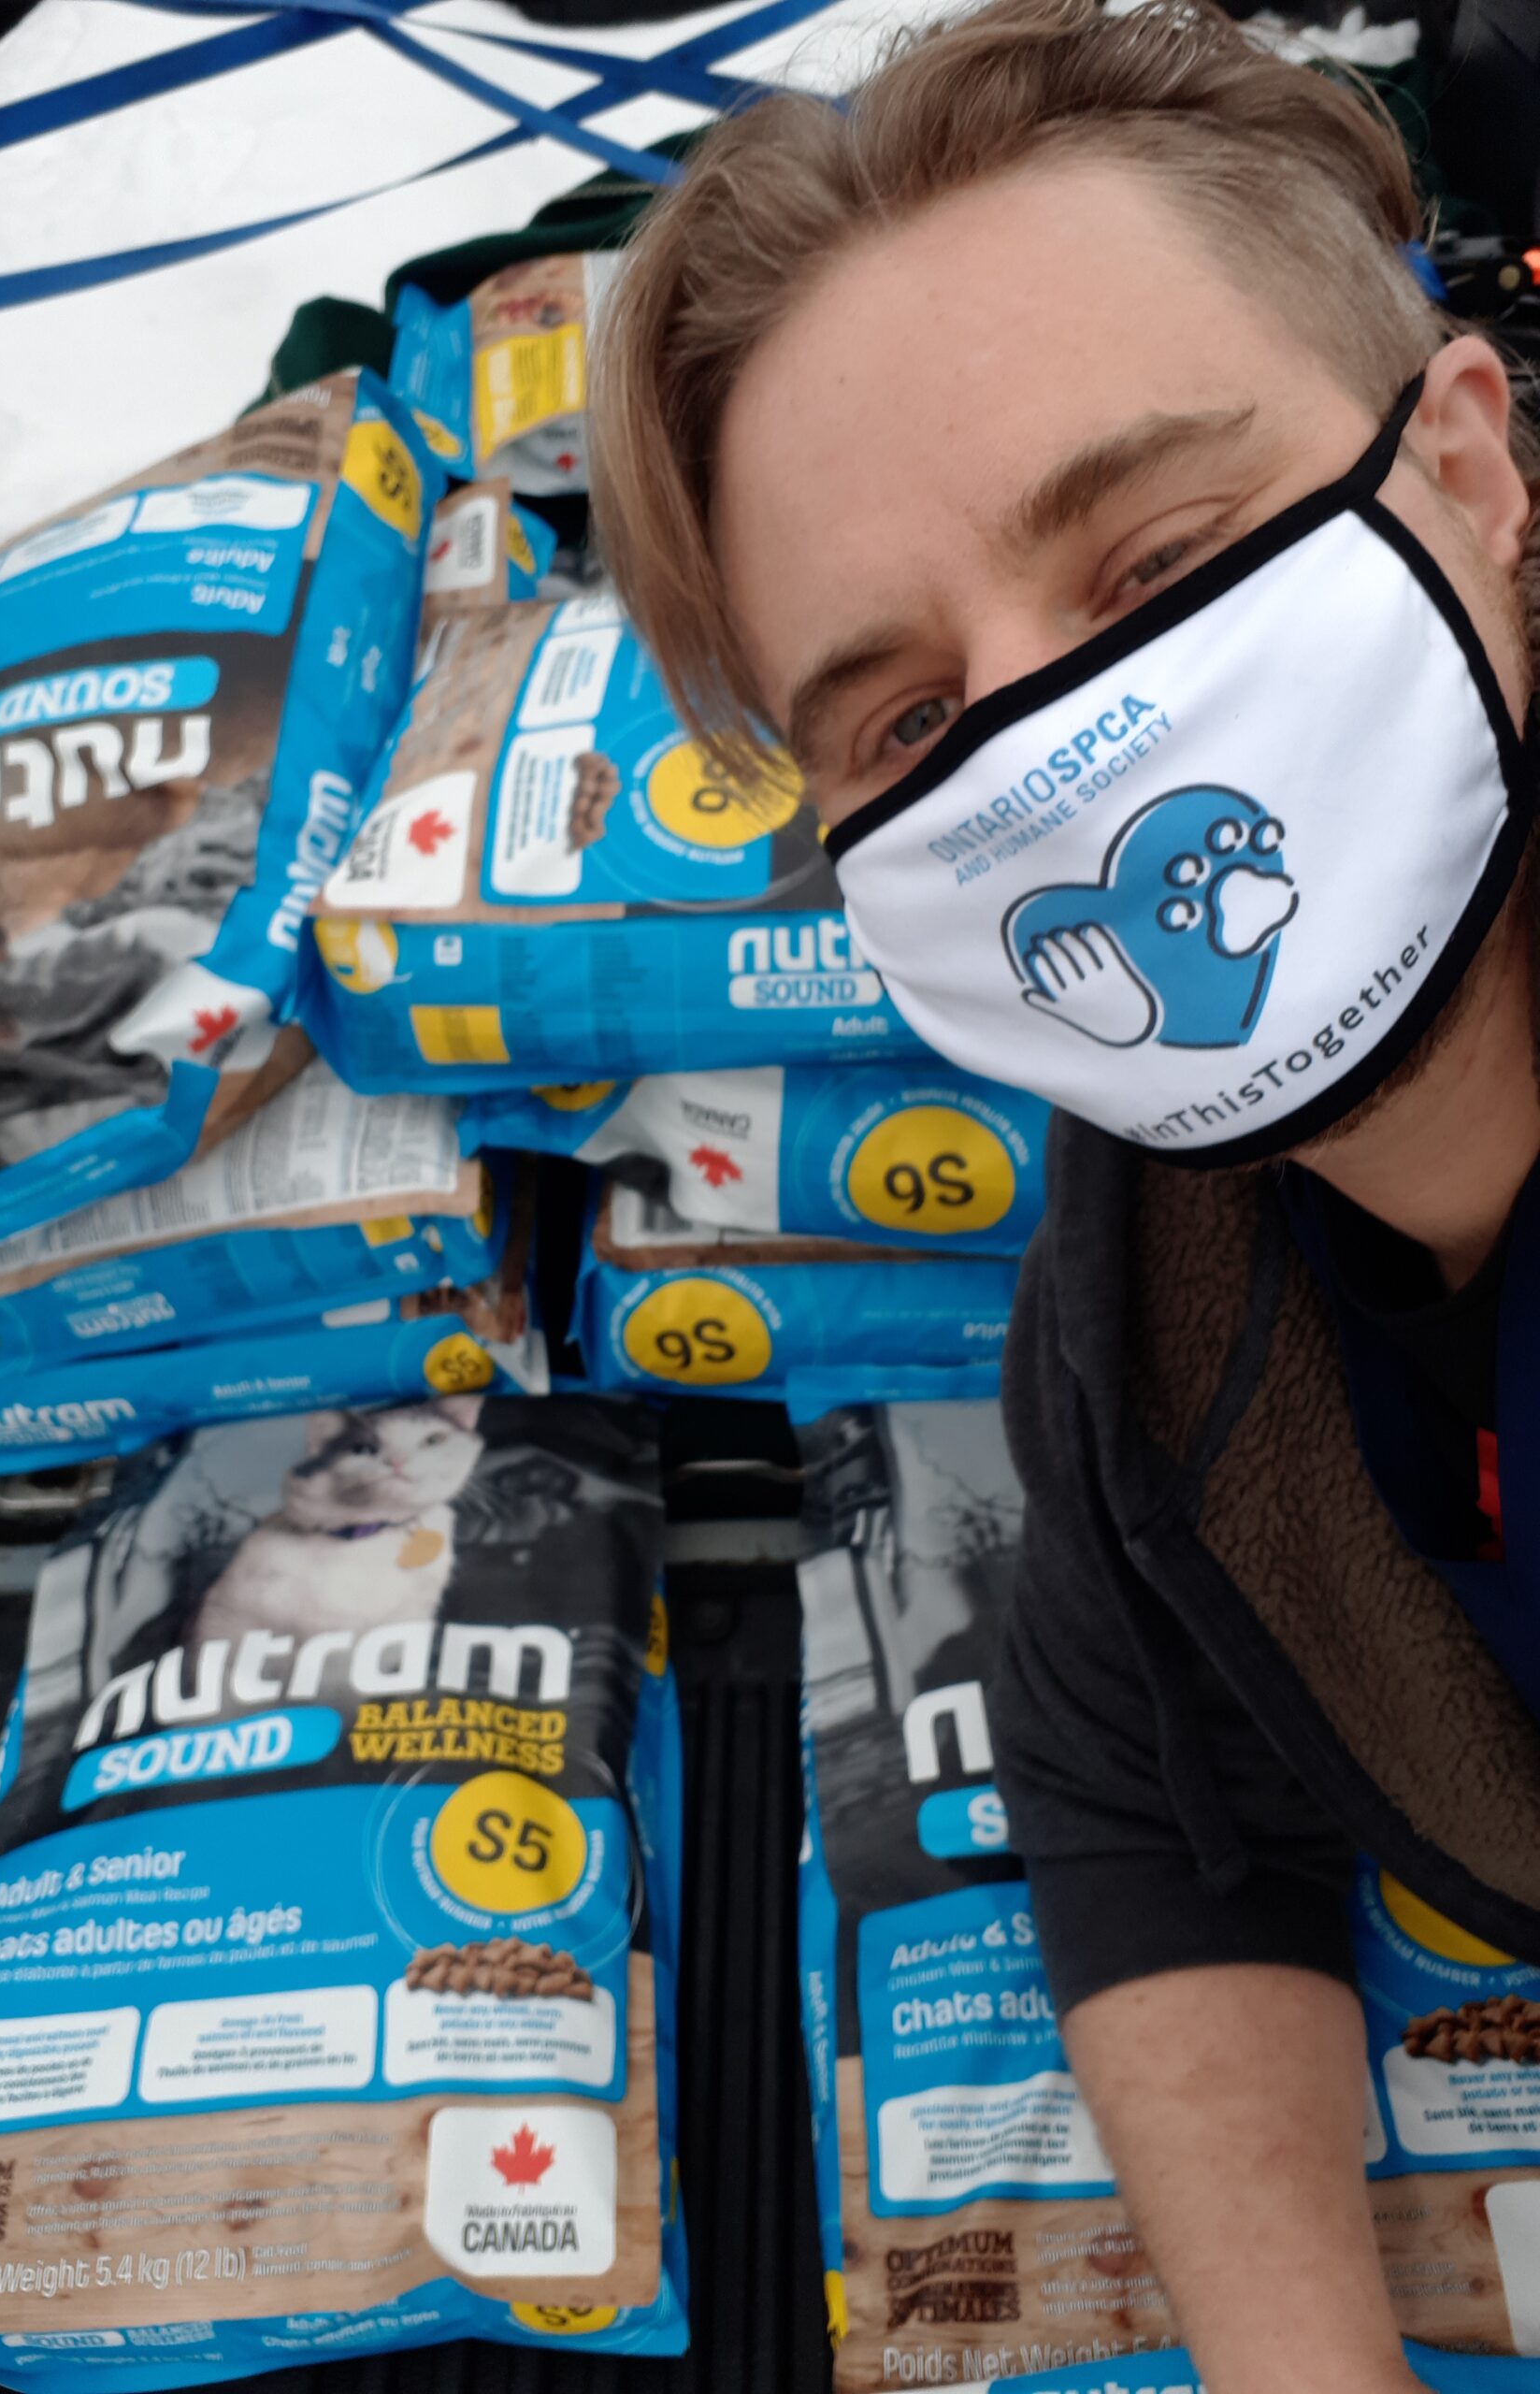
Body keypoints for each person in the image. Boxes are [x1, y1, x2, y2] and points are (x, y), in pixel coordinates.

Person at [587, 3, 1540, 2387]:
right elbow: (1143, 1771)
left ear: (1467, 465)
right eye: (912, 718)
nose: (1050, 748)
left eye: (1158, 558)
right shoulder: (1159, 1263)